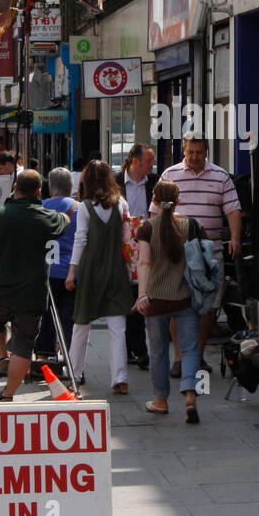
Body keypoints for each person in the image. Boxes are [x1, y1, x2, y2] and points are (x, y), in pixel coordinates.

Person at [0, 169, 69, 399]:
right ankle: (8, 394)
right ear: (38, 192)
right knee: (24, 345)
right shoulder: (44, 216)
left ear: (14, 187)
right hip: (31, 295)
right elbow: (63, 222)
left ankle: (3, 355)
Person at [152, 135, 242, 372]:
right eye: (190, 152)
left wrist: (234, 238)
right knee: (175, 302)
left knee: (208, 305)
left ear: (206, 152)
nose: (194, 157)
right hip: (176, 251)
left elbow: (233, 210)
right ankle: (180, 358)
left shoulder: (221, 176)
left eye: (199, 153)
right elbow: (155, 212)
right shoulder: (169, 175)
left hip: (210, 250)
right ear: (184, 151)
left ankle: (198, 357)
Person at [135, 180, 201, 421]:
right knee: (190, 348)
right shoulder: (191, 225)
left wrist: (142, 294)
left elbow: (144, 263)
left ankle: (161, 400)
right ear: (178, 200)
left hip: (155, 301)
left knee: (159, 351)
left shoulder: (146, 228)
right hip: (185, 298)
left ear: (154, 200)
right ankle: (191, 397)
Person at [65, 159, 131, 394]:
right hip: (116, 268)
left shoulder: (84, 207)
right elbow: (127, 240)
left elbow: (80, 240)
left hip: (91, 269)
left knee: (82, 323)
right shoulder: (121, 203)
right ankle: (119, 379)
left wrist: (72, 272)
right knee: (117, 327)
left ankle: (74, 372)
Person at [115, 143, 157, 369]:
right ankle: (134, 349)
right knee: (127, 299)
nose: (152, 165)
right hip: (123, 249)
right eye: (149, 161)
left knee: (140, 297)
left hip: (148, 246)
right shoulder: (116, 183)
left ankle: (139, 350)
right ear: (135, 161)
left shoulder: (155, 182)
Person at [35, 167, 78, 355]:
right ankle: (71, 358)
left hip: (45, 271)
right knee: (69, 318)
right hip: (71, 271)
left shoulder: (39, 207)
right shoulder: (78, 208)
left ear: (50, 186)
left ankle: (44, 356)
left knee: (46, 317)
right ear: (71, 186)